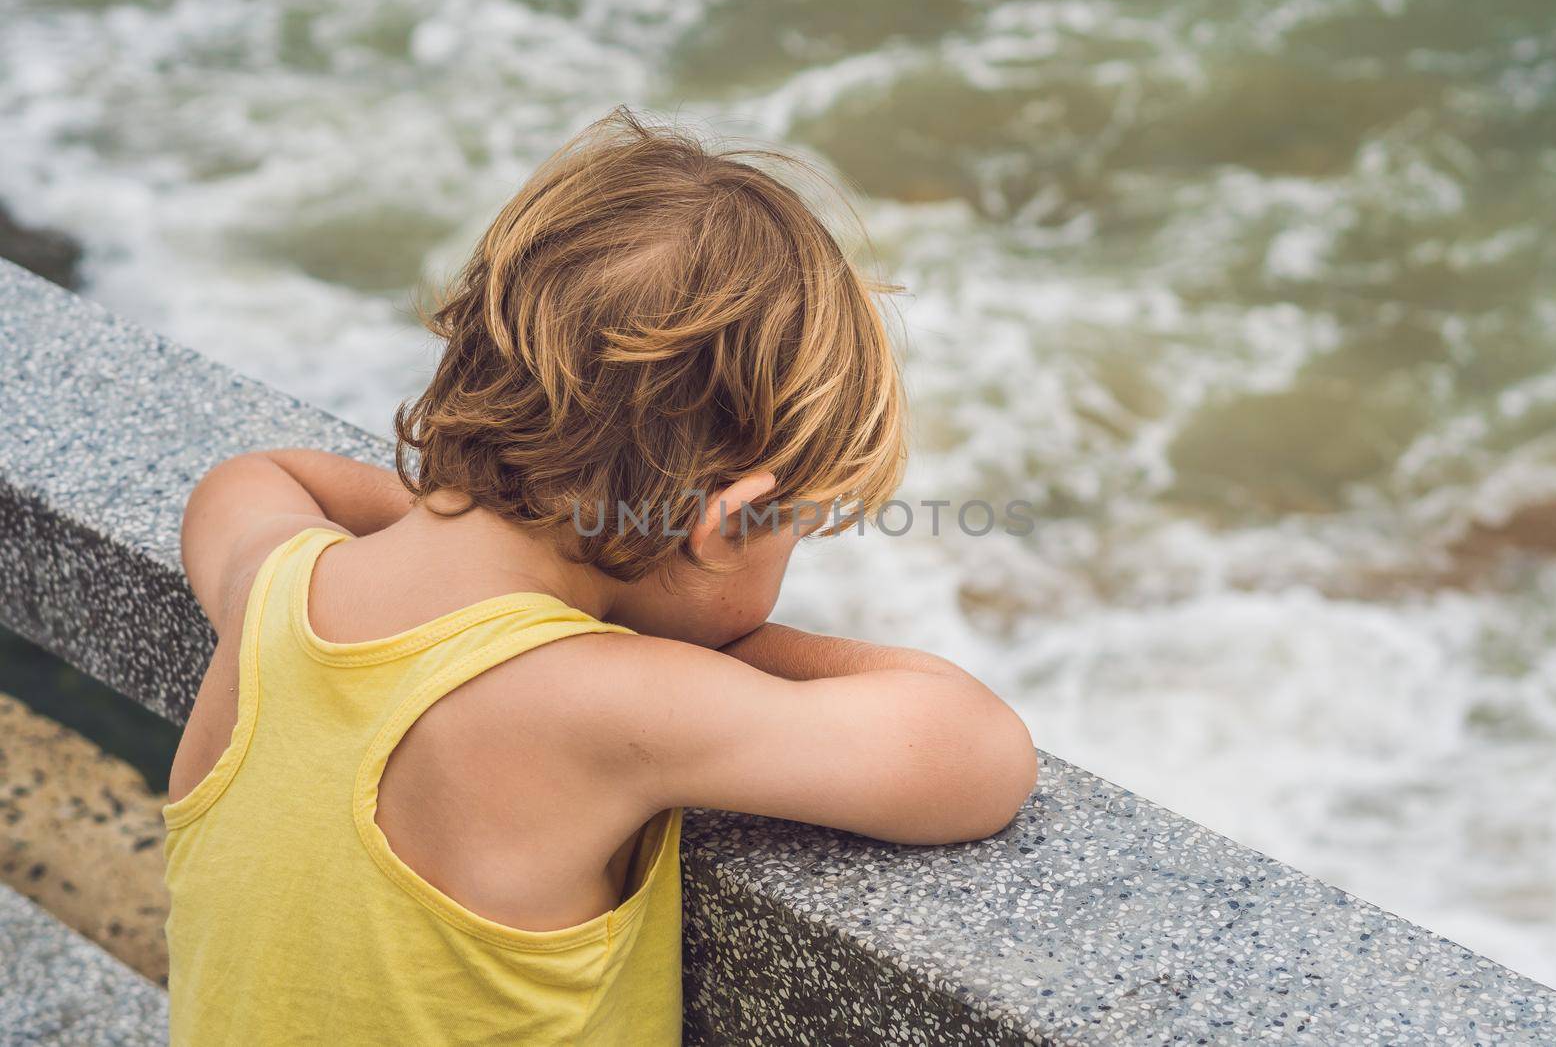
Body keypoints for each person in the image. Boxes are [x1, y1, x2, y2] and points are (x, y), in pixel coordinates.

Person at [162, 108, 1038, 1045]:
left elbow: (250, 478)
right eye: (796, 535)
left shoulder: (277, 587)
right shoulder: (609, 700)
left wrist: (449, 520)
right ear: (728, 521)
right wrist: (737, 651)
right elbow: (982, 756)